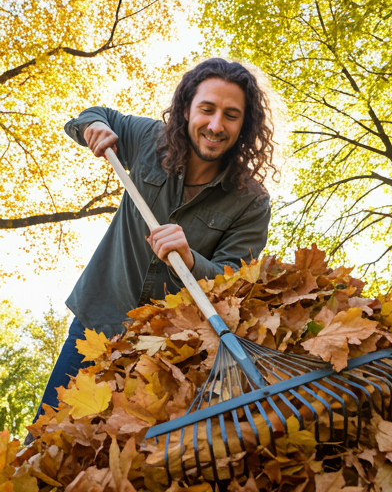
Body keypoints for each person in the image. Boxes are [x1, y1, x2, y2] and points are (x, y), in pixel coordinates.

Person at [28, 58, 277, 436]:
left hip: (163, 353)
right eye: (207, 109)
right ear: (187, 109)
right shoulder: (149, 141)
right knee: (45, 440)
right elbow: (92, 115)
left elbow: (232, 284)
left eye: (231, 115)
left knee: (117, 459)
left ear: (244, 125)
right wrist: (93, 127)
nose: (215, 125)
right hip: (96, 323)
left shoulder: (250, 202)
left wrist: (192, 259)